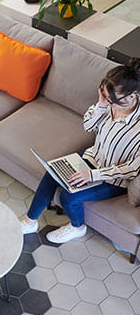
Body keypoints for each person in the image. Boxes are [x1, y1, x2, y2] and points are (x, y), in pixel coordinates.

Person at [21, 58, 140, 244]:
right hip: (92, 158)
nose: (108, 103)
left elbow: (132, 169)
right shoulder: (109, 103)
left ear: (132, 96)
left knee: (69, 196)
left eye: (112, 100)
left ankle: (78, 227)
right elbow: (88, 126)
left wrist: (92, 175)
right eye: (105, 96)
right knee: (52, 171)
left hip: (113, 178)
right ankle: (30, 222)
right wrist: (101, 104)